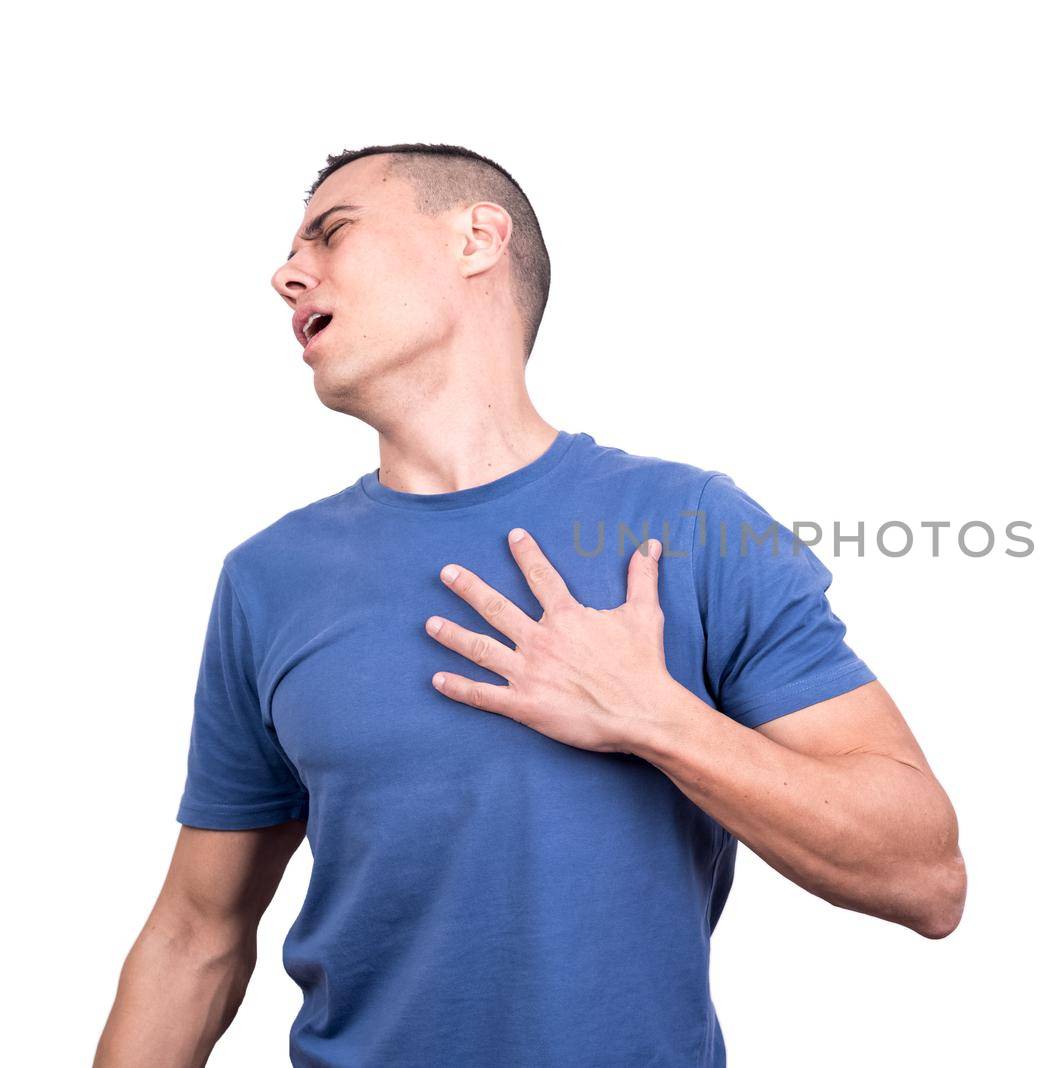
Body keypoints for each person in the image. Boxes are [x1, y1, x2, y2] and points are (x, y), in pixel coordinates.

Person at [94, 143, 965, 1067]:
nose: (287, 272)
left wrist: (656, 719)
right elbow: (196, 936)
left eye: (332, 231)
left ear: (478, 237)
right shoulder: (267, 578)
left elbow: (926, 877)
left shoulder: (691, 524)